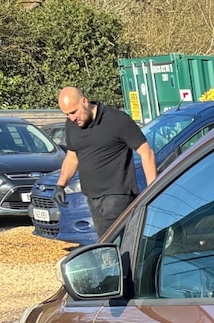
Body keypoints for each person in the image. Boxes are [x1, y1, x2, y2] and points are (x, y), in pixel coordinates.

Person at [53, 86, 157, 239]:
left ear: (84, 101)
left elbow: (146, 152)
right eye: (67, 114)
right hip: (92, 197)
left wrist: (153, 191)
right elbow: (72, 157)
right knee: (106, 245)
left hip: (117, 196)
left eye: (74, 112)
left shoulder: (116, 119)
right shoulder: (72, 125)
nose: (72, 118)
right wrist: (60, 185)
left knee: (113, 244)